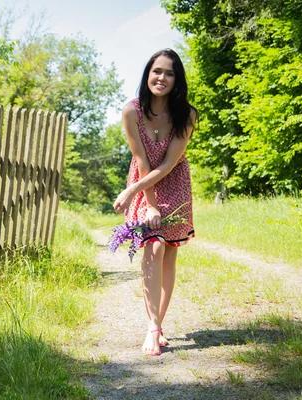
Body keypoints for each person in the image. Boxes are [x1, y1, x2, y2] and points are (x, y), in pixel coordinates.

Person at [113, 48, 196, 356]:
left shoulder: (186, 115)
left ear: (177, 80)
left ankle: (158, 323)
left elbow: (169, 164)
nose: (162, 77)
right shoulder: (131, 111)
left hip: (173, 183)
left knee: (169, 252)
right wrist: (146, 201)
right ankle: (152, 327)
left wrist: (130, 191)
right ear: (147, 74)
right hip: (144, 179)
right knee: (154, 245)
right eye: (157, 71)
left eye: (170, 73)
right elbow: (142, 159)